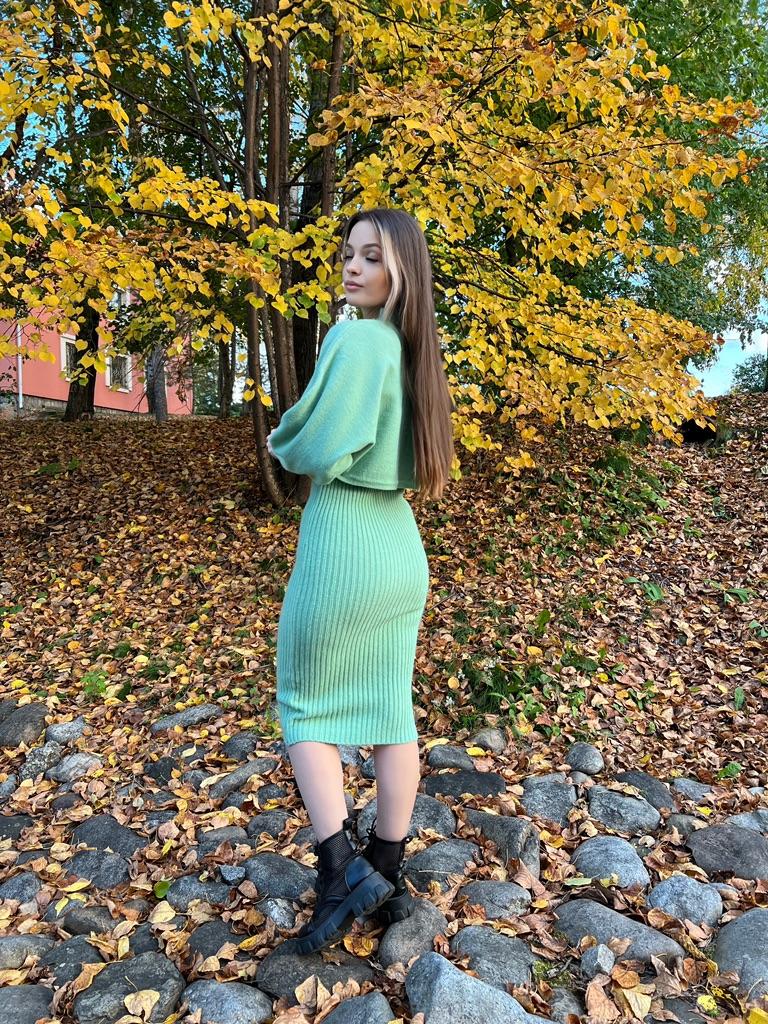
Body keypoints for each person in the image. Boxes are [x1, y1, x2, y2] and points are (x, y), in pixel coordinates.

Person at [267, 207, 455, 955]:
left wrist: (284, 438)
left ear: (400, 269)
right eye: (349, 253)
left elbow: (315, 444)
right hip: (399, 549)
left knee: (305, 705)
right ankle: (385, 868)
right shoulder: (415, 354)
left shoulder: (357, 339)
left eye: (372, 256)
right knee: (388, 710)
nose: (353, 266)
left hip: (344, 543)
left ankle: (340, 870)